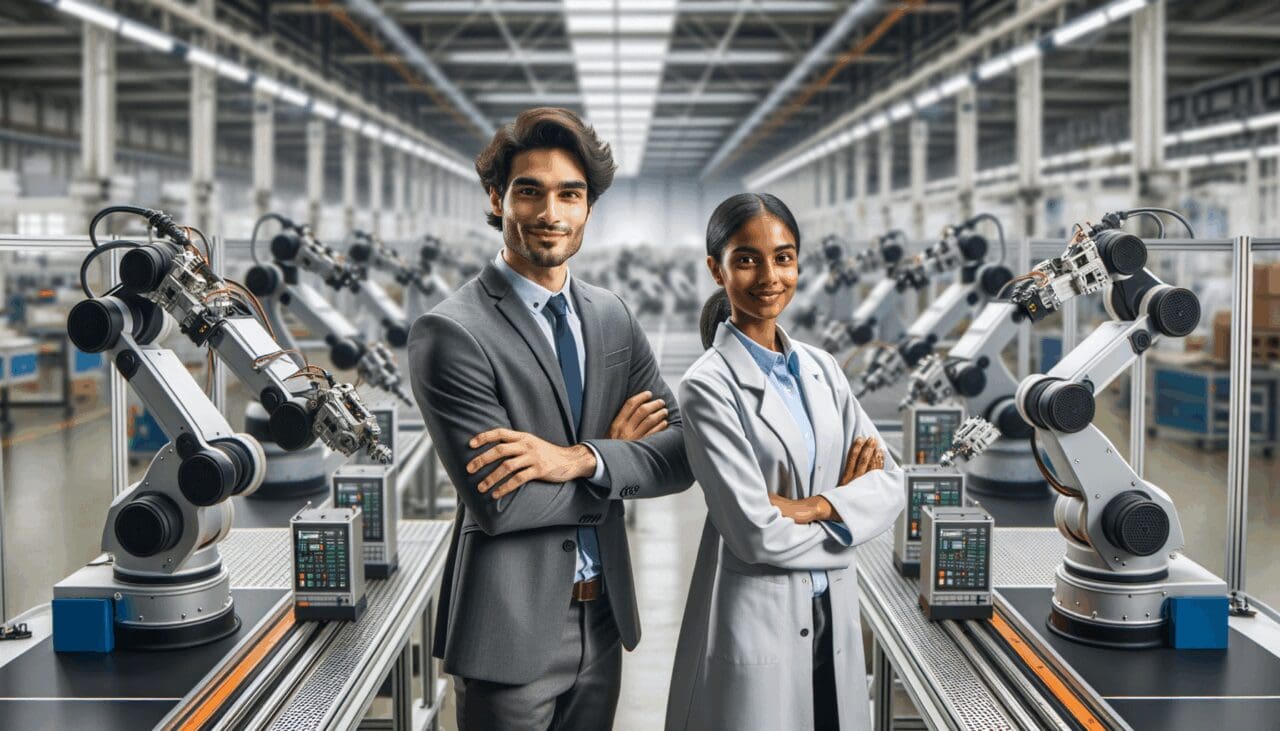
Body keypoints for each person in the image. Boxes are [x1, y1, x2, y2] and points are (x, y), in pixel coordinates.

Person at [407, 107, 694, 731]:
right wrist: (617, 467)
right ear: (497, 198)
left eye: (570, 194)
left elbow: (679, 455)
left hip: (603, 620)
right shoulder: (452, 332)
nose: (550, 213)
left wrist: (578, 460)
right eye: (529, 191)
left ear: (588, 206)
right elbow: (502, 503)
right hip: (508, 631)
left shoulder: (611, 316)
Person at [666, 193, 905, 731]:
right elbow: (754, 534)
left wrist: (812, 507)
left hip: (833, 615)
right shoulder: (707, 386)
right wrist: (848, 520)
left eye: (784, 257)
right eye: (747, 260)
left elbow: (891, 485)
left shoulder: (822, 368)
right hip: (761, 620)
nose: (770, 276)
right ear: (717, 270)